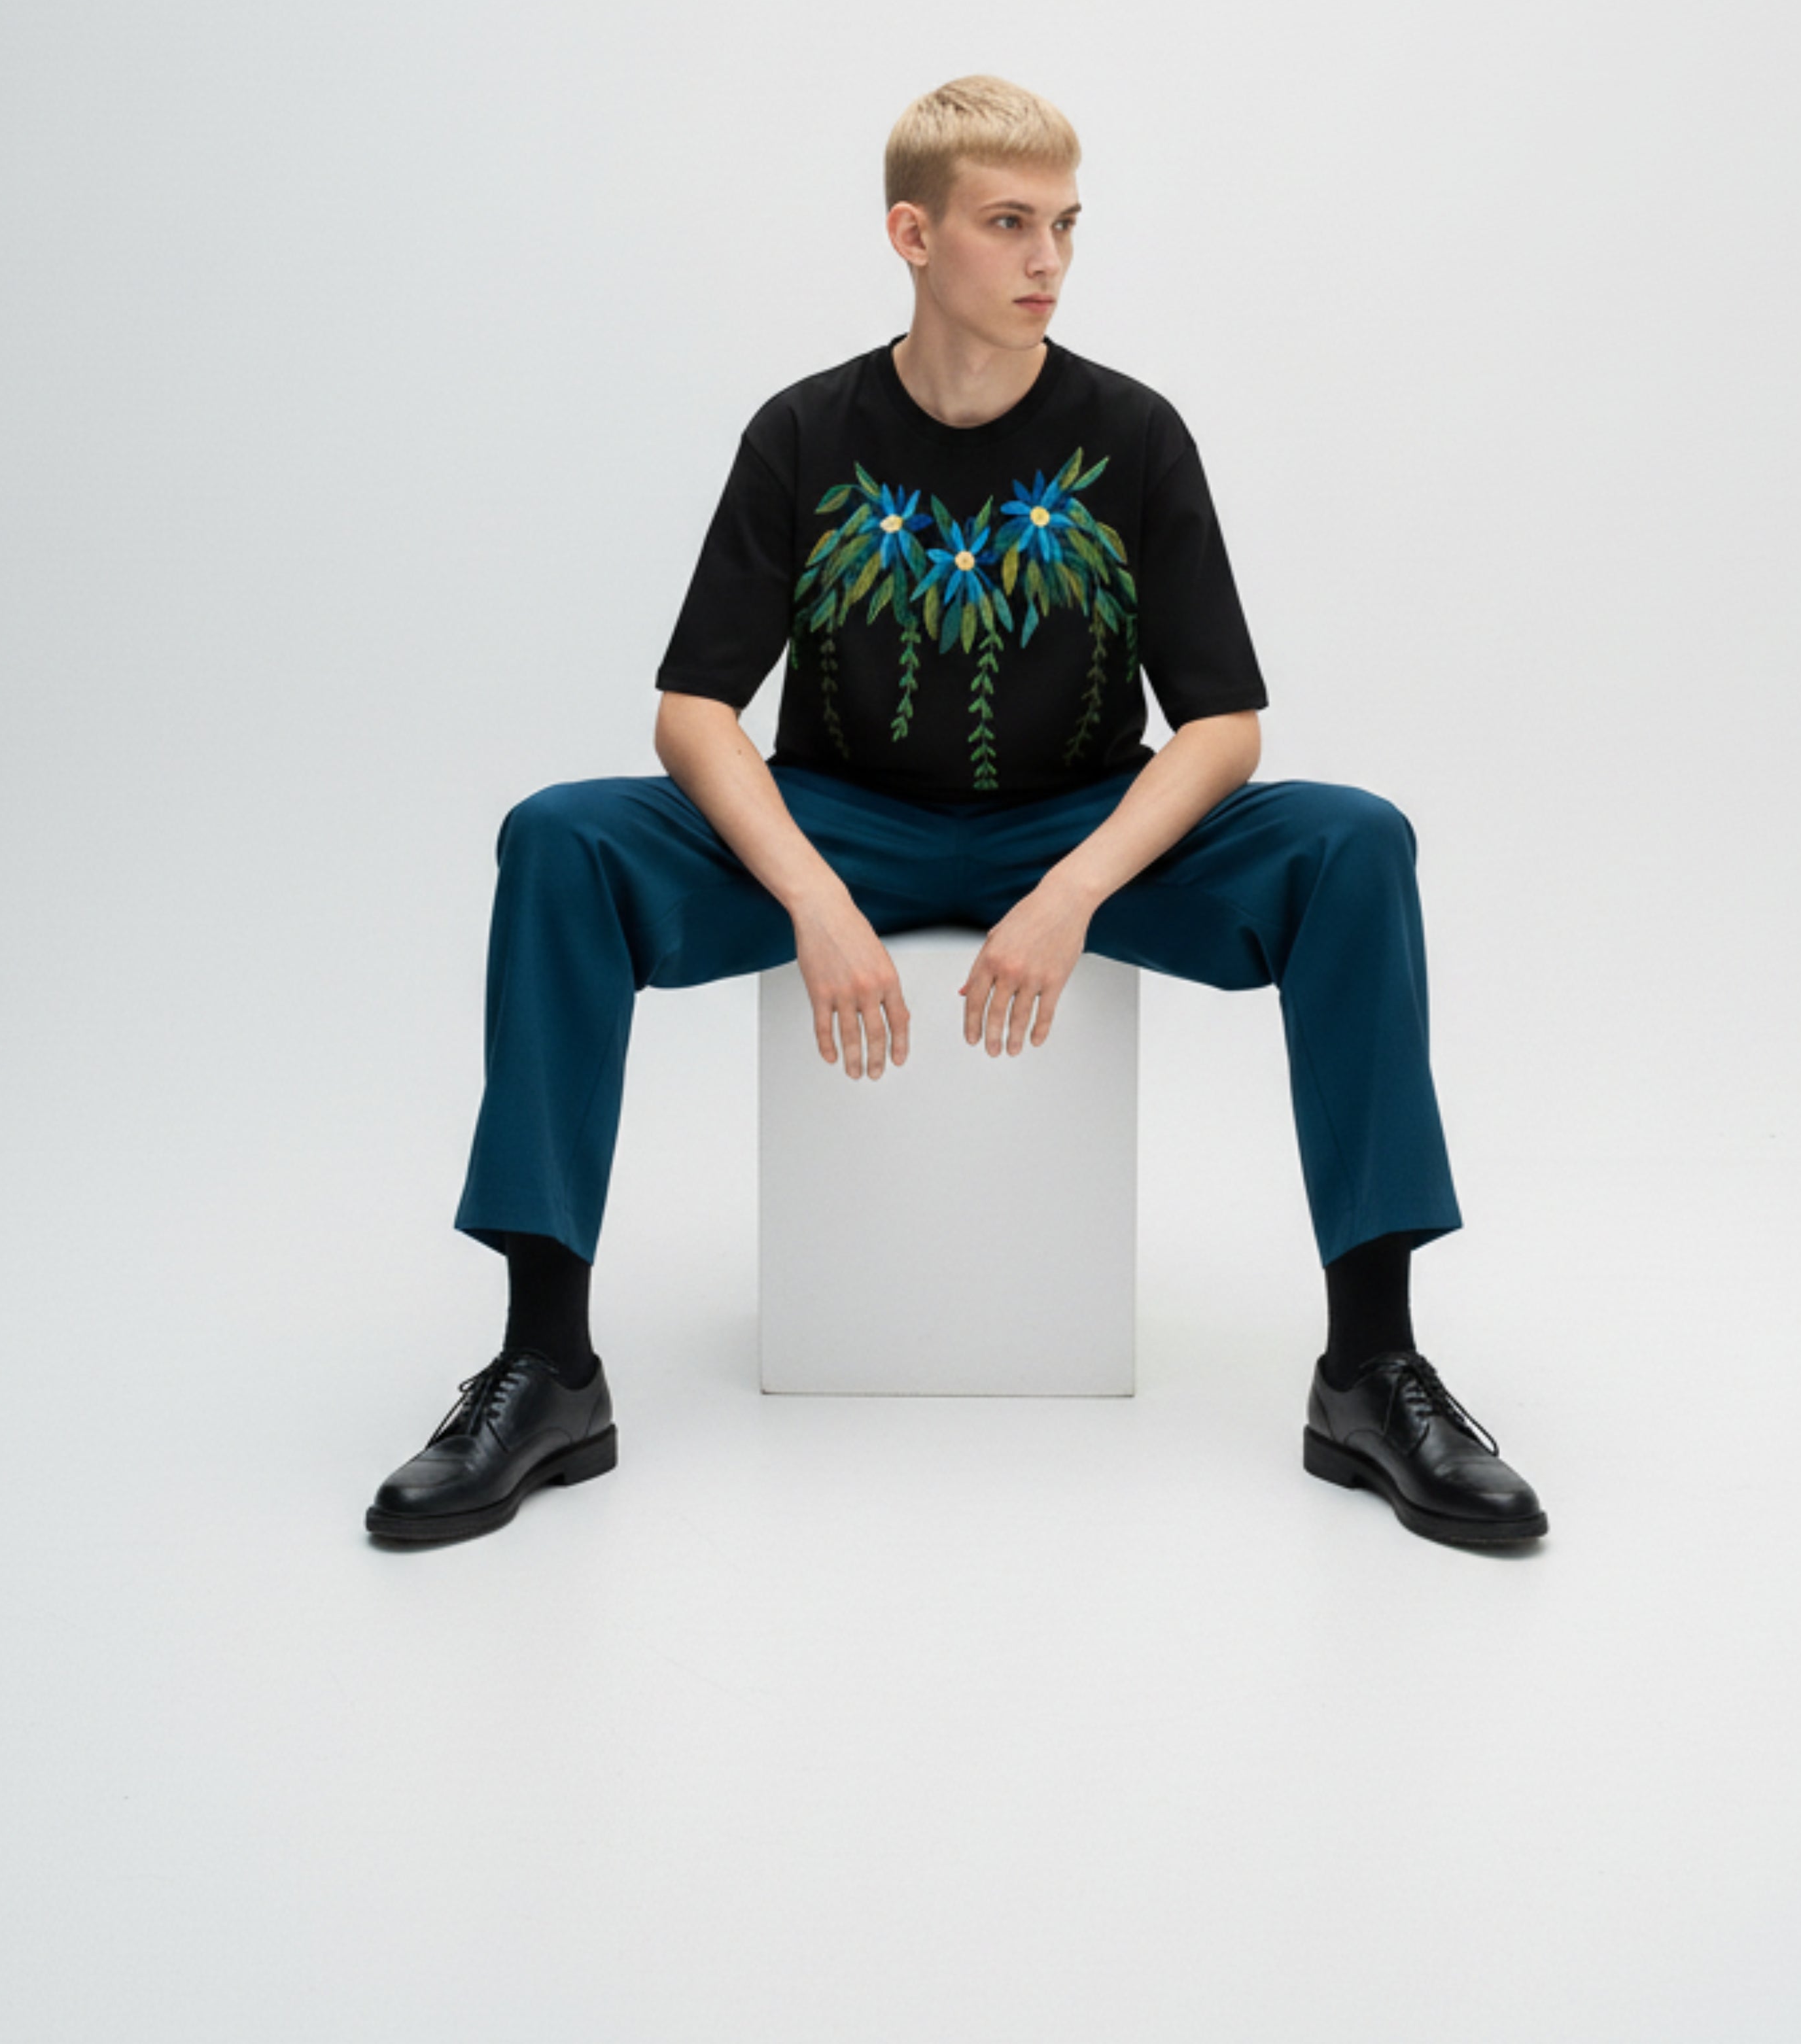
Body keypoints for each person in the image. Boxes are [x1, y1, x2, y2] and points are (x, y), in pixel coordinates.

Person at [366, 75, 1547, 1551]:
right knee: (558, 836)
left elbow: (1222, 728)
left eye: (1063, 224)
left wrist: (1067, 893)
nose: (1047, 258)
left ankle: (1371, 1368)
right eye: (1008, 225)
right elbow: (691, 713)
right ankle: (546, 1366)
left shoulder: (1133, 434)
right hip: (843, 822)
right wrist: (810, 893)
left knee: (1354, 839)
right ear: (909, 234)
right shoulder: (802, 433)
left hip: (1082, 825)